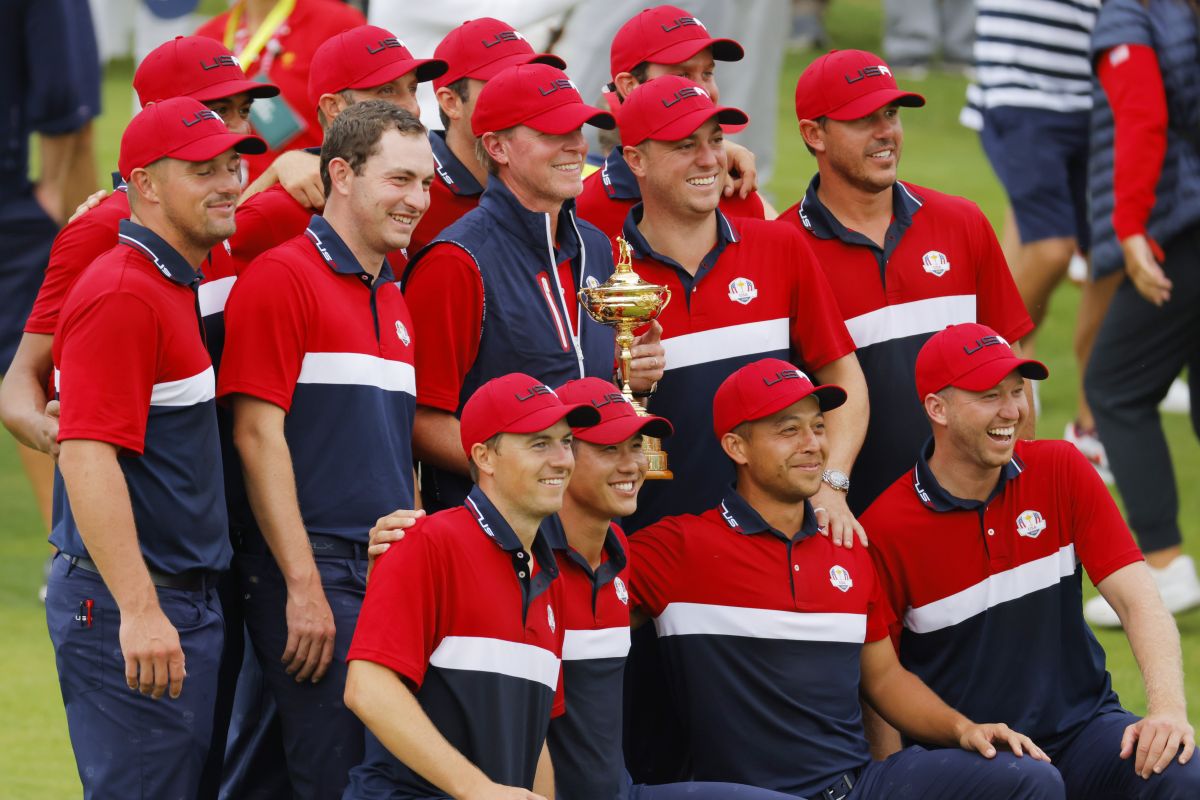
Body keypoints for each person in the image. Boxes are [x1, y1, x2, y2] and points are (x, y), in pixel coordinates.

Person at [0, 38, 290, 797]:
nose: (232, 163)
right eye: (209, 133)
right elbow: (30, 396)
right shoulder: (115, 261)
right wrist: (69, 434)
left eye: (235, 125)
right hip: (141, 580)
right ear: (147, 174)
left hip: (200, 568)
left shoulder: (197, 243)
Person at [626, 357, 1064, 799]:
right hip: (751, 793)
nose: (813, 444)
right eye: (788, 430)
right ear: (737, 447)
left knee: (1029, 778)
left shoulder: (848, 548)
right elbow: (584, 612)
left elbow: (885, 679)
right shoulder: (677, 548)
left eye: (818, 427)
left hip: (861, 788)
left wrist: (963, 729)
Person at [861, 322, 1199, 798]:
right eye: (989, 395)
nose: (1012, 411)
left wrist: (1167, 709)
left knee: (1182, 771)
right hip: (973, 755)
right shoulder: (884, 529)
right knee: (1033, 782)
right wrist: (897, 772)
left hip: (1085, 731)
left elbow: (1139, 599)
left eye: (1017, 391)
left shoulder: (1062, 469)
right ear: (937, 408)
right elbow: (880, 681)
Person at [45, 96, 265, 799]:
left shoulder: (169, 281)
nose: (230, 181)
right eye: (204, 169)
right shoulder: (124, 292)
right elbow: (85, 455)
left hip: (176, 601)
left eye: (234, 164)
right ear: (143, 184)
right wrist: (141, 610)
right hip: (135, 606)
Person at [217, 101, 433, 798]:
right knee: (338, 779)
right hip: (313, 572)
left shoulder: (394, 293)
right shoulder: (281, 278)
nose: (417, 201)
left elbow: (393, 450)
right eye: (399, 181)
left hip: (385, 574)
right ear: (341, 174)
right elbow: (256, 435)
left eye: (425, 183)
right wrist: (303, 587)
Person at [777, 48, 1034, 516]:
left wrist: (1021, 484)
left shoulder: (963, 222)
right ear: (814, 134)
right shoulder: (781, 249)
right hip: (848, 520)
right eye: (863, 119)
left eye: (891, 114)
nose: (885, 133)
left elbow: (1011, 368)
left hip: (977, 511)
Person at [402, 62, 665, 512]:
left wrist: (628, 374)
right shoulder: (457, 261)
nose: (575, 146)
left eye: (579, 130)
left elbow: (580, 378)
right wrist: (535, 475)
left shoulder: (597, 247)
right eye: (551, 133)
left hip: (591, 529)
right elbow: (420, 421)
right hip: (498, 537)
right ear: (497, 147)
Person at [613, 75, 867, 538]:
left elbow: (844, 376)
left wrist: (830, 484)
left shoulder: (780, 246)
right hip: (655, 550)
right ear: (636, 159)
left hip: (780, 543)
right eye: (685, 145)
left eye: (715, 140)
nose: (709, 159)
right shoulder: (606, 275)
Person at [343, 372, 600, 799]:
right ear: (485, 457)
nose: (562, 459)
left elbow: (534, 743)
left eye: (567, 441)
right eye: (539, 443)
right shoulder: (426, 542)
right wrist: (477, 790)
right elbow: (366, 689)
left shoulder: (549, 577)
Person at [544, 376, 796, 800]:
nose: (632, 465)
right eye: (609, 449)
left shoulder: (621, 553)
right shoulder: (522, 560)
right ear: (560, 455)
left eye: (636, 446)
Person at [1081, 0, 1200, 626]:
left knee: (1113, 387)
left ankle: (1163, 562)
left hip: (1178, 226)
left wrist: (1129, 227)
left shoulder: (1134, 12)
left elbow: (1143, 115)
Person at [969, 0, 1118, 484]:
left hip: (1095, 97)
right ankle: (971, 375)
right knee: (1052, 249)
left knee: (1111, 259)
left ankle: (1091, 428)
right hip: (1020, 90)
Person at [227, 24, 446, 272]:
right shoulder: (274, 210)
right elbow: (205, 277)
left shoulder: (420, 192)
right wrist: (275, 171)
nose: (413, 108)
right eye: (387, 91)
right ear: (334, 107)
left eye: (413, 89)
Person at [0, 0, 95, 543]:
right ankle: (65, 547)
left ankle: (64, 544)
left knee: (29, 366)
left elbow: (66, 100)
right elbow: (66, 98)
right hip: (16, 196)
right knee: (31, 367)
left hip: (16, 199)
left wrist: (54, 189)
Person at [575, 3, 768, 239]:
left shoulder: (737, 196)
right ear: (629, 86)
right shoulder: (584, 215)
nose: (703, 91)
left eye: (708, 73)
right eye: (682, 75)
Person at [406, 16, 567, 255]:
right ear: (451, 102)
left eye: (529, 79)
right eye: (502, 84)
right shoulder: (407, 189)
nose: (527, 97)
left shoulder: (559, 182)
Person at [196, 0, 366, 181]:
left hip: (308, 198)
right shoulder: (207, 36)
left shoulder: (337, 22)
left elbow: (367, 133)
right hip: (225, 198)